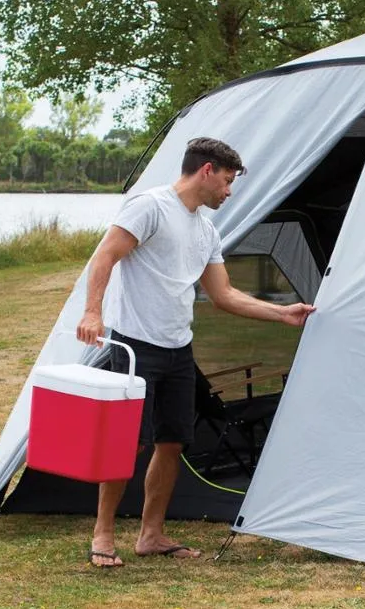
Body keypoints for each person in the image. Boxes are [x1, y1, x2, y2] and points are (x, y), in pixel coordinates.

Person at [74, 137, 313, 567]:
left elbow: (224, 295)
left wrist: (283, 313)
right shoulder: (150, 207)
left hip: (178, 349)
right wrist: (93, 312)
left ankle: (150, 535)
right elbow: (105, 257)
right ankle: (103, 535)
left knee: (172, 443)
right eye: (227, 180)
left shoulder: (206, 231)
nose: (229, 191)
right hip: (135, 345)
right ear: (206, 171)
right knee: (129, 444)